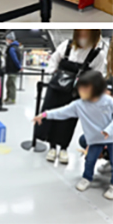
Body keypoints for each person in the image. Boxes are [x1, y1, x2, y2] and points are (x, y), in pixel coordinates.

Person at [34, 69, 113, 200]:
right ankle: (86, 178)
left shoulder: (108, 101)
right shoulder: (79, 105)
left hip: (111, 137)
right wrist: (45, 114)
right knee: (90, 160)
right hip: (95, 139)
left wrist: (108, 131)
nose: (81, 92)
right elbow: (62, 112)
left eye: (85, 89)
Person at [37, 29, 107, 165]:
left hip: (76, 93)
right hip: (56, 89)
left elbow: (97, 75)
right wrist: (52, 74)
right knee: (52, 115)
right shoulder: (67, 45)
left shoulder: (98, 54)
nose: (83, 37)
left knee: (69, 120)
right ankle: (52, 147)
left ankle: (63, 147)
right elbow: (54, 60)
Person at [4, 32, 22, 105]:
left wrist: (19, 66)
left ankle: (12, 99)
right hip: (12, 69)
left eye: (7, 39)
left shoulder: (12, 48)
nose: (6, 41)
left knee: (11, 84)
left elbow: (15, 59)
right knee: (8, 83)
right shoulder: (16, 47)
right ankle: (8, 97)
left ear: (10, 39)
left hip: (12, 69)